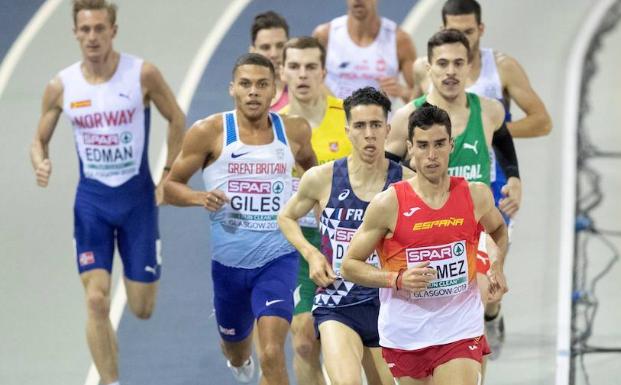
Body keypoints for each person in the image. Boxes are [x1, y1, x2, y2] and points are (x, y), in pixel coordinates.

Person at [30, 1, 184, 384]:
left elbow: (177, 118)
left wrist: (168, 174)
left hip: (138, 203)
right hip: (92, 205)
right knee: (96, 300)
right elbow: (39, 138)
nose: (93, 37)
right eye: (85, 30)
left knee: (142, 307)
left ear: (113, 30)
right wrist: (40, 160)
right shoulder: (62, 85)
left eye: (100, 28)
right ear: (75, 33)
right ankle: (110, 380)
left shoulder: (142, 74)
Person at [164, 53, 316, 385]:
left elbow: (312, 173)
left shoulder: (295, 131)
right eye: (245, 84)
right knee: (236, 349)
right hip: (229, 267)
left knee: (273, 352)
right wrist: (199, 197)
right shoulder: (208, 132)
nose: (253, 92)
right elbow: (169, 188)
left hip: (279, 259)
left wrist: (314, 207)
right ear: (232, 88)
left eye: (262, 85)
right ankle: (238, 361)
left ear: (275, 90)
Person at [413, 0, 552, 359]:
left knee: (485, 284)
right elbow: (414, 126)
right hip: (437, 188)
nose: (461, 38)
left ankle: (488, 318)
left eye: (468, 32)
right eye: (453, 31)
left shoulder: (500, 68)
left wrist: (510, 170)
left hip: (486, 188)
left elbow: (537, 123)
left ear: (481, 30)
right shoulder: (424, 70)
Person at [341, 104, 509, 385]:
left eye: (439, 144)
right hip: (406, 333)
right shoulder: (389, 204)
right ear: (410, 148)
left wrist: (497, 264)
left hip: (460, 329)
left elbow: (499, 229)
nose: (431, 155)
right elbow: (349, 265)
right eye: (422, 145)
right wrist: (397, 278)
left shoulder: (475, 195)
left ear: (451, 145)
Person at [385, 28, 520, 364]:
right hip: (430, 232)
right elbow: (385, 170)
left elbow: (502, 140)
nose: (450, 71)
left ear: (469, 66)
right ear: (428, 68)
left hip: (478, 225)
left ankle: (492, 318)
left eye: (458, 63)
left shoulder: (488, 110)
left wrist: (515, 178)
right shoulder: (407, 118)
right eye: (442, 63)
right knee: (450, 314)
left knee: (482, 306)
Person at [279, 87, 408, 385]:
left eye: (376, 125)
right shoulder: (322, 178)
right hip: (336, 300)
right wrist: (311, 254)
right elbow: (286, 216)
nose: (369, 134)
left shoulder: (406, 182)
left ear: (387, 129)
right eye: (360, 126)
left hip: (388, 303)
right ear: (348, 131)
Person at [278, 36, 353, 385]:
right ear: (282, 72)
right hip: (301, 245)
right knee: (305, 342)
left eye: (310, 67)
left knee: (360, 343)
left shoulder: (350, 118)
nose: (302, 75)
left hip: (352, 241)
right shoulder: (272, 126)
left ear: (323, 71)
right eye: (294, 66)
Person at [313, 0, 417, 103]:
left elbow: (421, 100)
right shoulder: (325, 35)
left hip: (382, 119)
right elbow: (307, 84)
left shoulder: (399, 40)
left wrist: (404, 92)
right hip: (334, 118)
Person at [249, 11, 290, 111]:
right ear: (253, 51)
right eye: (265, 47)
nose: (274, 54)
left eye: (280, 46)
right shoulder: (246, 95)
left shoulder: (308, 87)